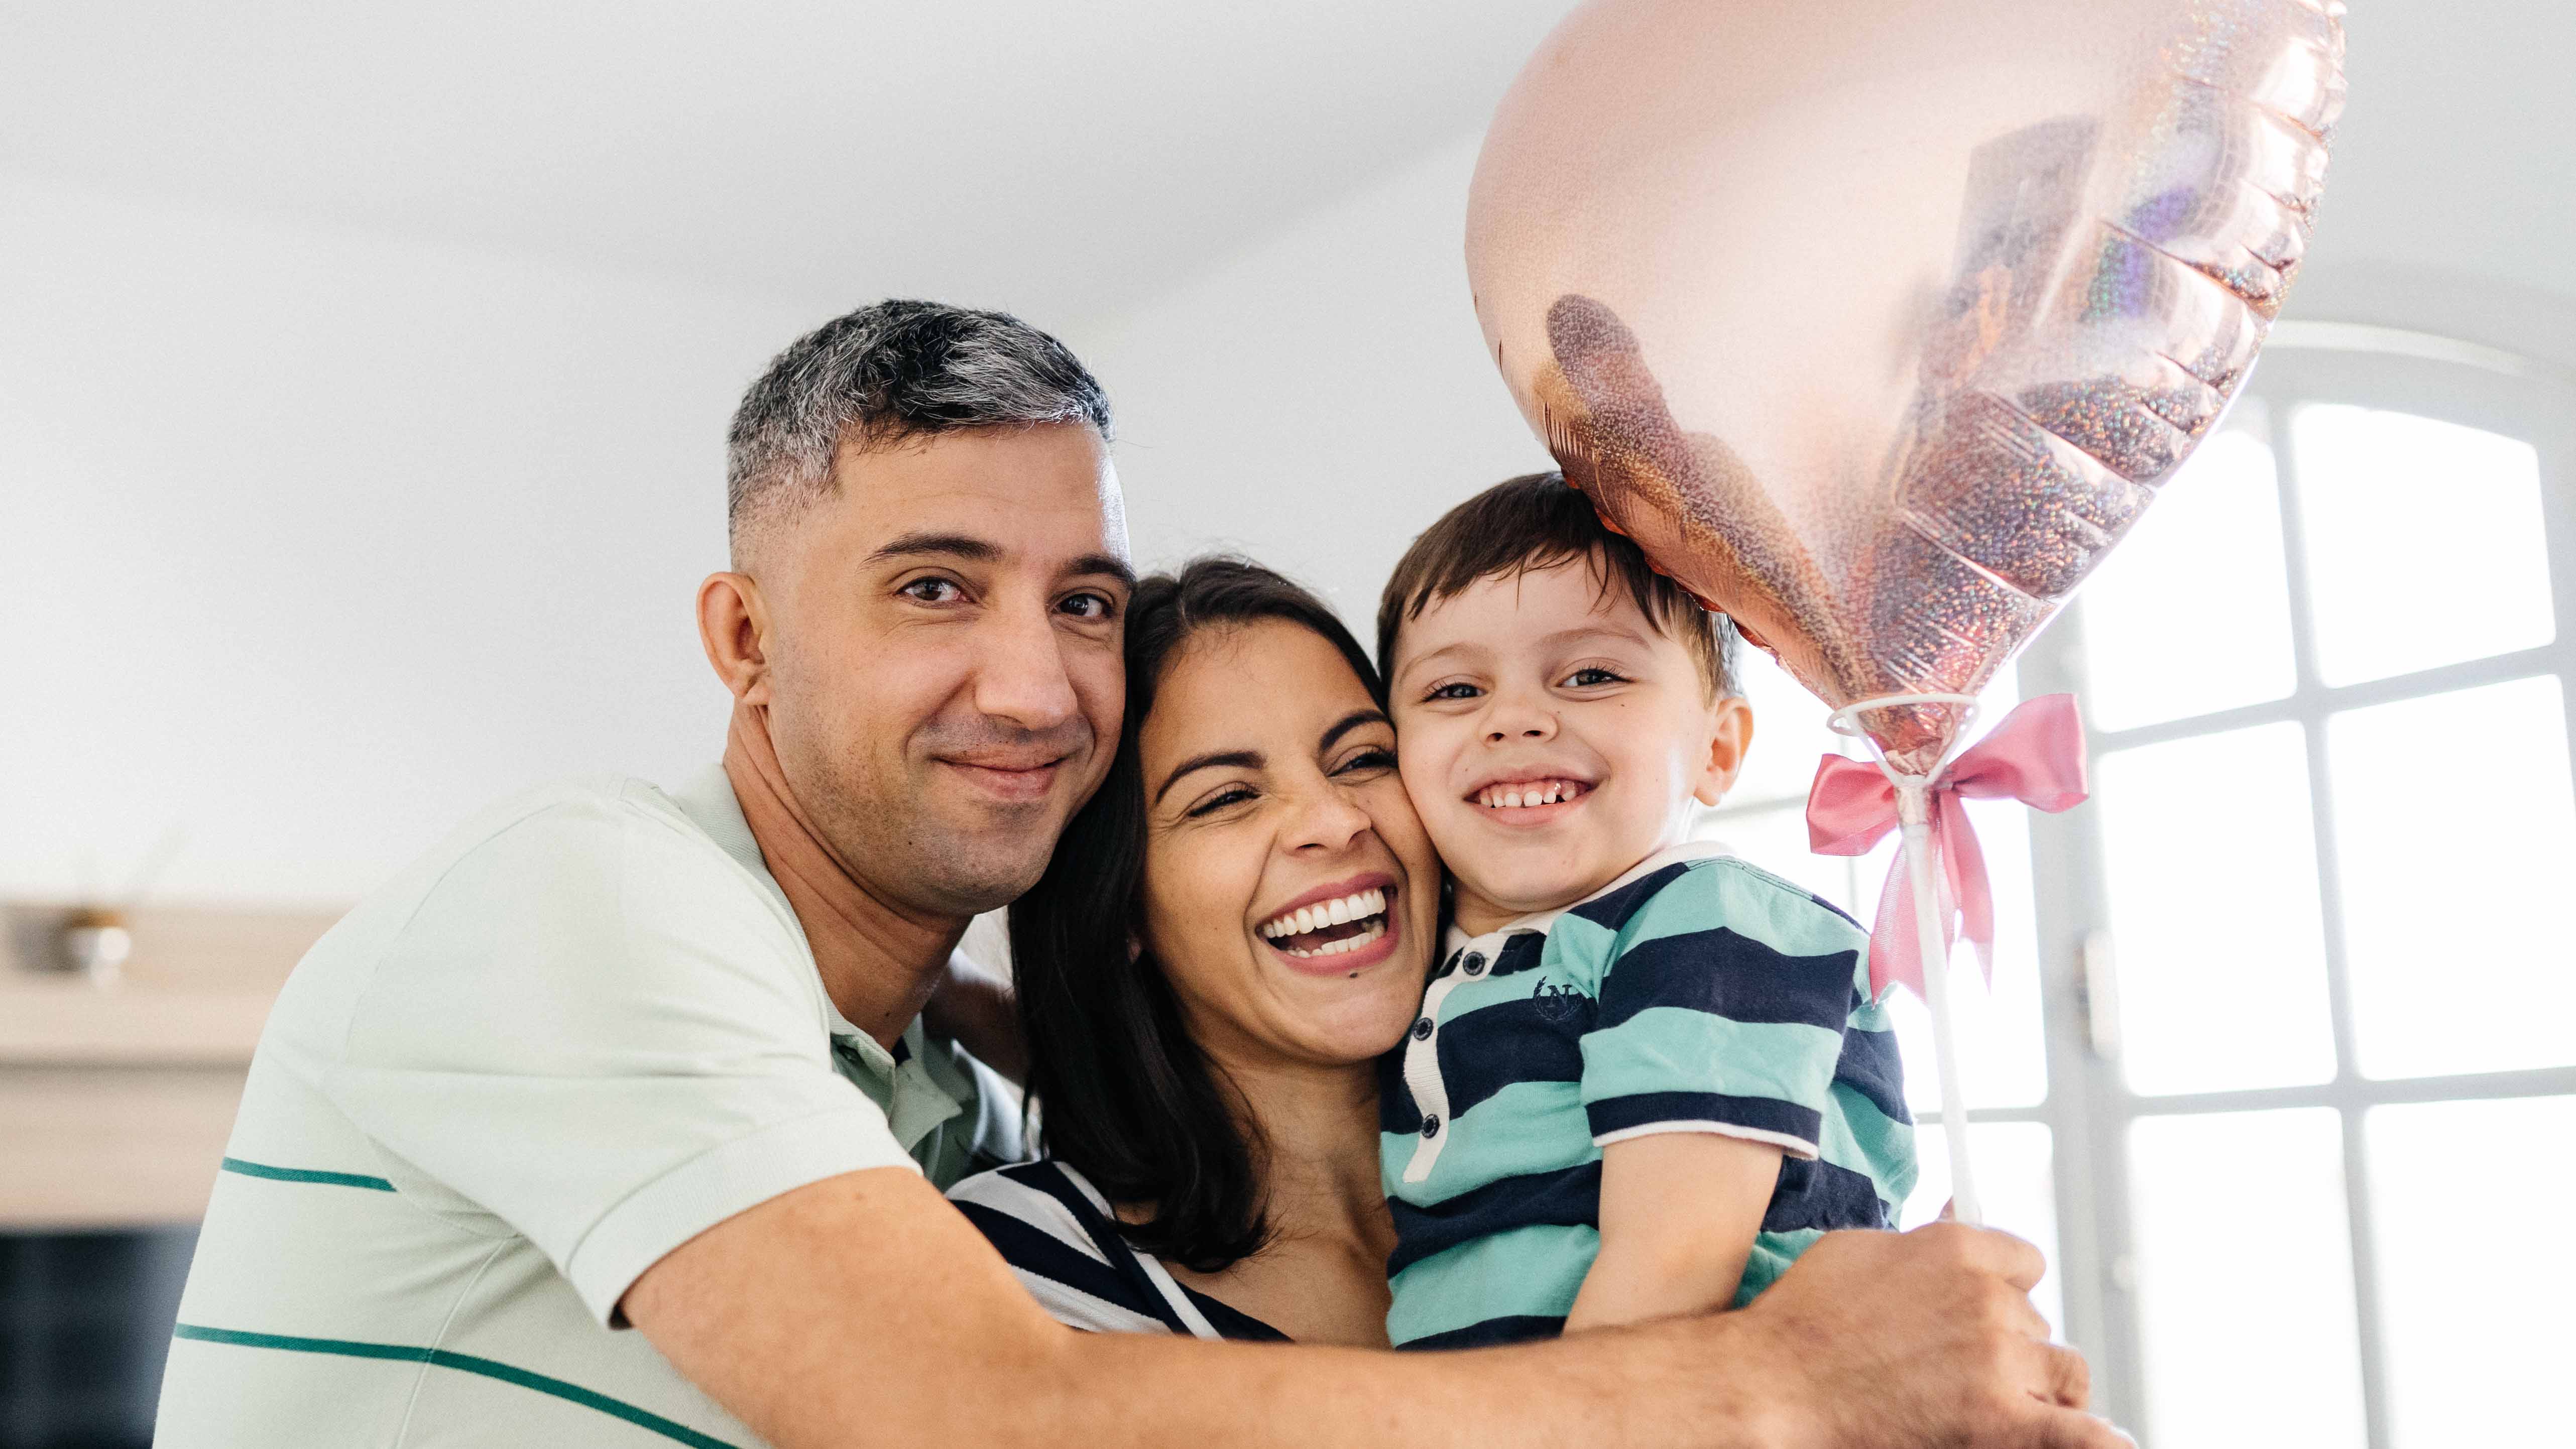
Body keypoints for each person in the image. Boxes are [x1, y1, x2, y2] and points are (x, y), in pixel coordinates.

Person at [157, 299, 2121, 1449]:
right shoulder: (579, 896)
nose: (1031, 678)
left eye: (1077, 598)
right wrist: (1769, 1379)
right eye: (936, 585)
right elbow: (982, 1409)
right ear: (745, 639)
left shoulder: (929, 1101)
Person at [1365, 472, 1917, 1349]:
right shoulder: (1436, 965)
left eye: (1589, 674)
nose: (1513, 719)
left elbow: (1672, 1266)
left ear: (1717, 747)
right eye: (1453, 691)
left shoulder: (1712, 924)